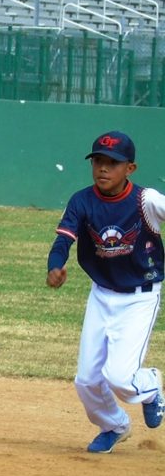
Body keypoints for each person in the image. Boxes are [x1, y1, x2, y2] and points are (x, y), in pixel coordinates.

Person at [46, 130, 165, 453]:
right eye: (98, 161)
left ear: (131, 168)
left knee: (121, 377)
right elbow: (63, 241)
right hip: (101, 295)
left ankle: (151, 385)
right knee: (86, 380)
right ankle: (114, 425)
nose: (103, 168)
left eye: (113, 163)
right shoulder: (82, 201)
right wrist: (54, 266)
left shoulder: (147, 201)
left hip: (140, 296)